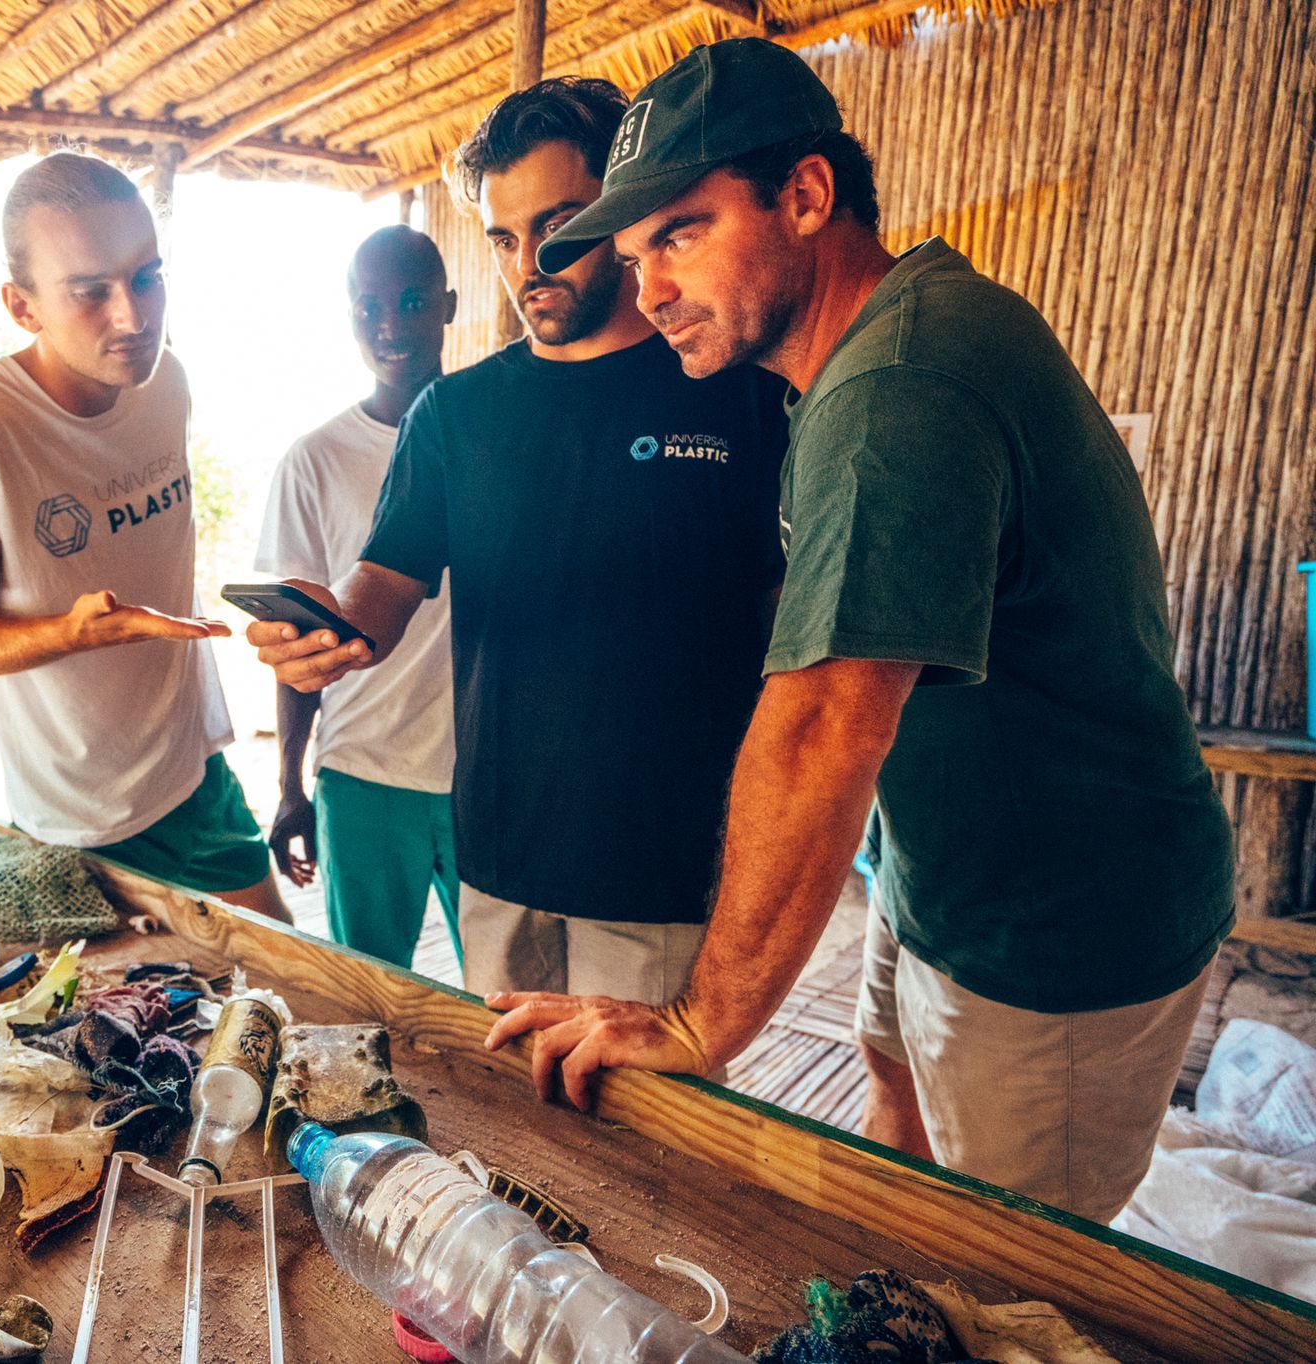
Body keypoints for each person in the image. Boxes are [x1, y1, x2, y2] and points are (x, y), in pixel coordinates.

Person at [487, 38, 1233, 1223]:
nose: (649, 289)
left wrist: (697, 1020)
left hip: (1055, 936)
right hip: (943, 868)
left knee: (1009, 1283)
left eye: (677, 233)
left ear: (805, 195)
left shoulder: (895, 393)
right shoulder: (895, 332)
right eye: (632, 257)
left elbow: (826, 721)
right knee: (897, 1149)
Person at [248, 80, 790, 1004]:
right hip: (499, 865)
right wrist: (324, 632)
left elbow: (791, 626)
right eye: (503, 237)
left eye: (560, 222)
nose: (530, 261)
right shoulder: (457, 414)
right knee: (518, 1129)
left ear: (622, 211)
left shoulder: (730, 390)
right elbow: (384, 582)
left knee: (647, 1144)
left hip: (664, 873)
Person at [0, 152, 288, 921]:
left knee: (297, 993)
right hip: (72, 820)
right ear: (23, 306)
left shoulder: (165, 382)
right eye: (90, 292)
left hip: (192, 774)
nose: (134, 318)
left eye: (147, 276)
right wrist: (74, 633)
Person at [254, 226, 462, 969]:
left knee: (508, 1001)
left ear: (448, 306)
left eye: (411, 303)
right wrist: (289, 786)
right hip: (363, 776)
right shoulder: (314, 460)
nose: (389, 326)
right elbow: (295, 641)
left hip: (485, 776)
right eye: (368, 307)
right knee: (368, 1001)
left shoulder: (493, 435)